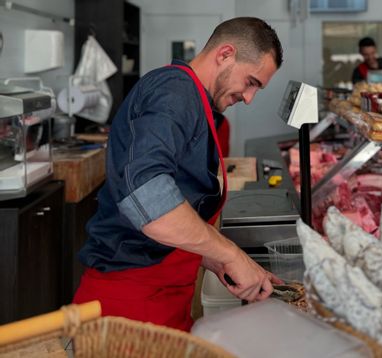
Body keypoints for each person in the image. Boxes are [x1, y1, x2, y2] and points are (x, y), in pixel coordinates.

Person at [73, 17, 284, 331]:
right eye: (251, 82)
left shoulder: (194, 99)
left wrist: (213, 258)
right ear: (225, 54)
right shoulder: (175, 91)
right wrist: (231, 253)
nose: (249, 98)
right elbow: (147, 197)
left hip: (162, 294)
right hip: (129, 302)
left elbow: (177, 198)